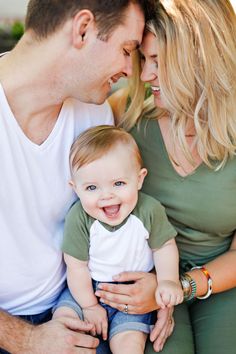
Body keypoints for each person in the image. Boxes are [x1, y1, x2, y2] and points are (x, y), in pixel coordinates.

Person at [0, 0, 155, 353]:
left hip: (78, 307)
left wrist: (157, 284)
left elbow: (116, 219)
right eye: (127, 50)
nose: (130, 71)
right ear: (82, 29)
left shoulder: (94, 116)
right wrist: (25, 340)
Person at [106, 1, 236, 354]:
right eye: (143, 60)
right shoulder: (125, 116)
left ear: (202, 59)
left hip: (221, 280)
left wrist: (180, 286)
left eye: (159, 62)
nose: (146, 75)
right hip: (145, 279)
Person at [52, 125, 182, 354]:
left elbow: (164, 247)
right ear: (76, 189)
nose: (106, 195)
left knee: (130, 344)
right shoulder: (79, 218)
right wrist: (89, 305)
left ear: (139, 179)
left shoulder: (149, 210)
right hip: (86, 288)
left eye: (118, 184)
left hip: (133, 294)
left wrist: (168, 281)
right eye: (91, 187)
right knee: (64, 320)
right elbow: (76, 267)